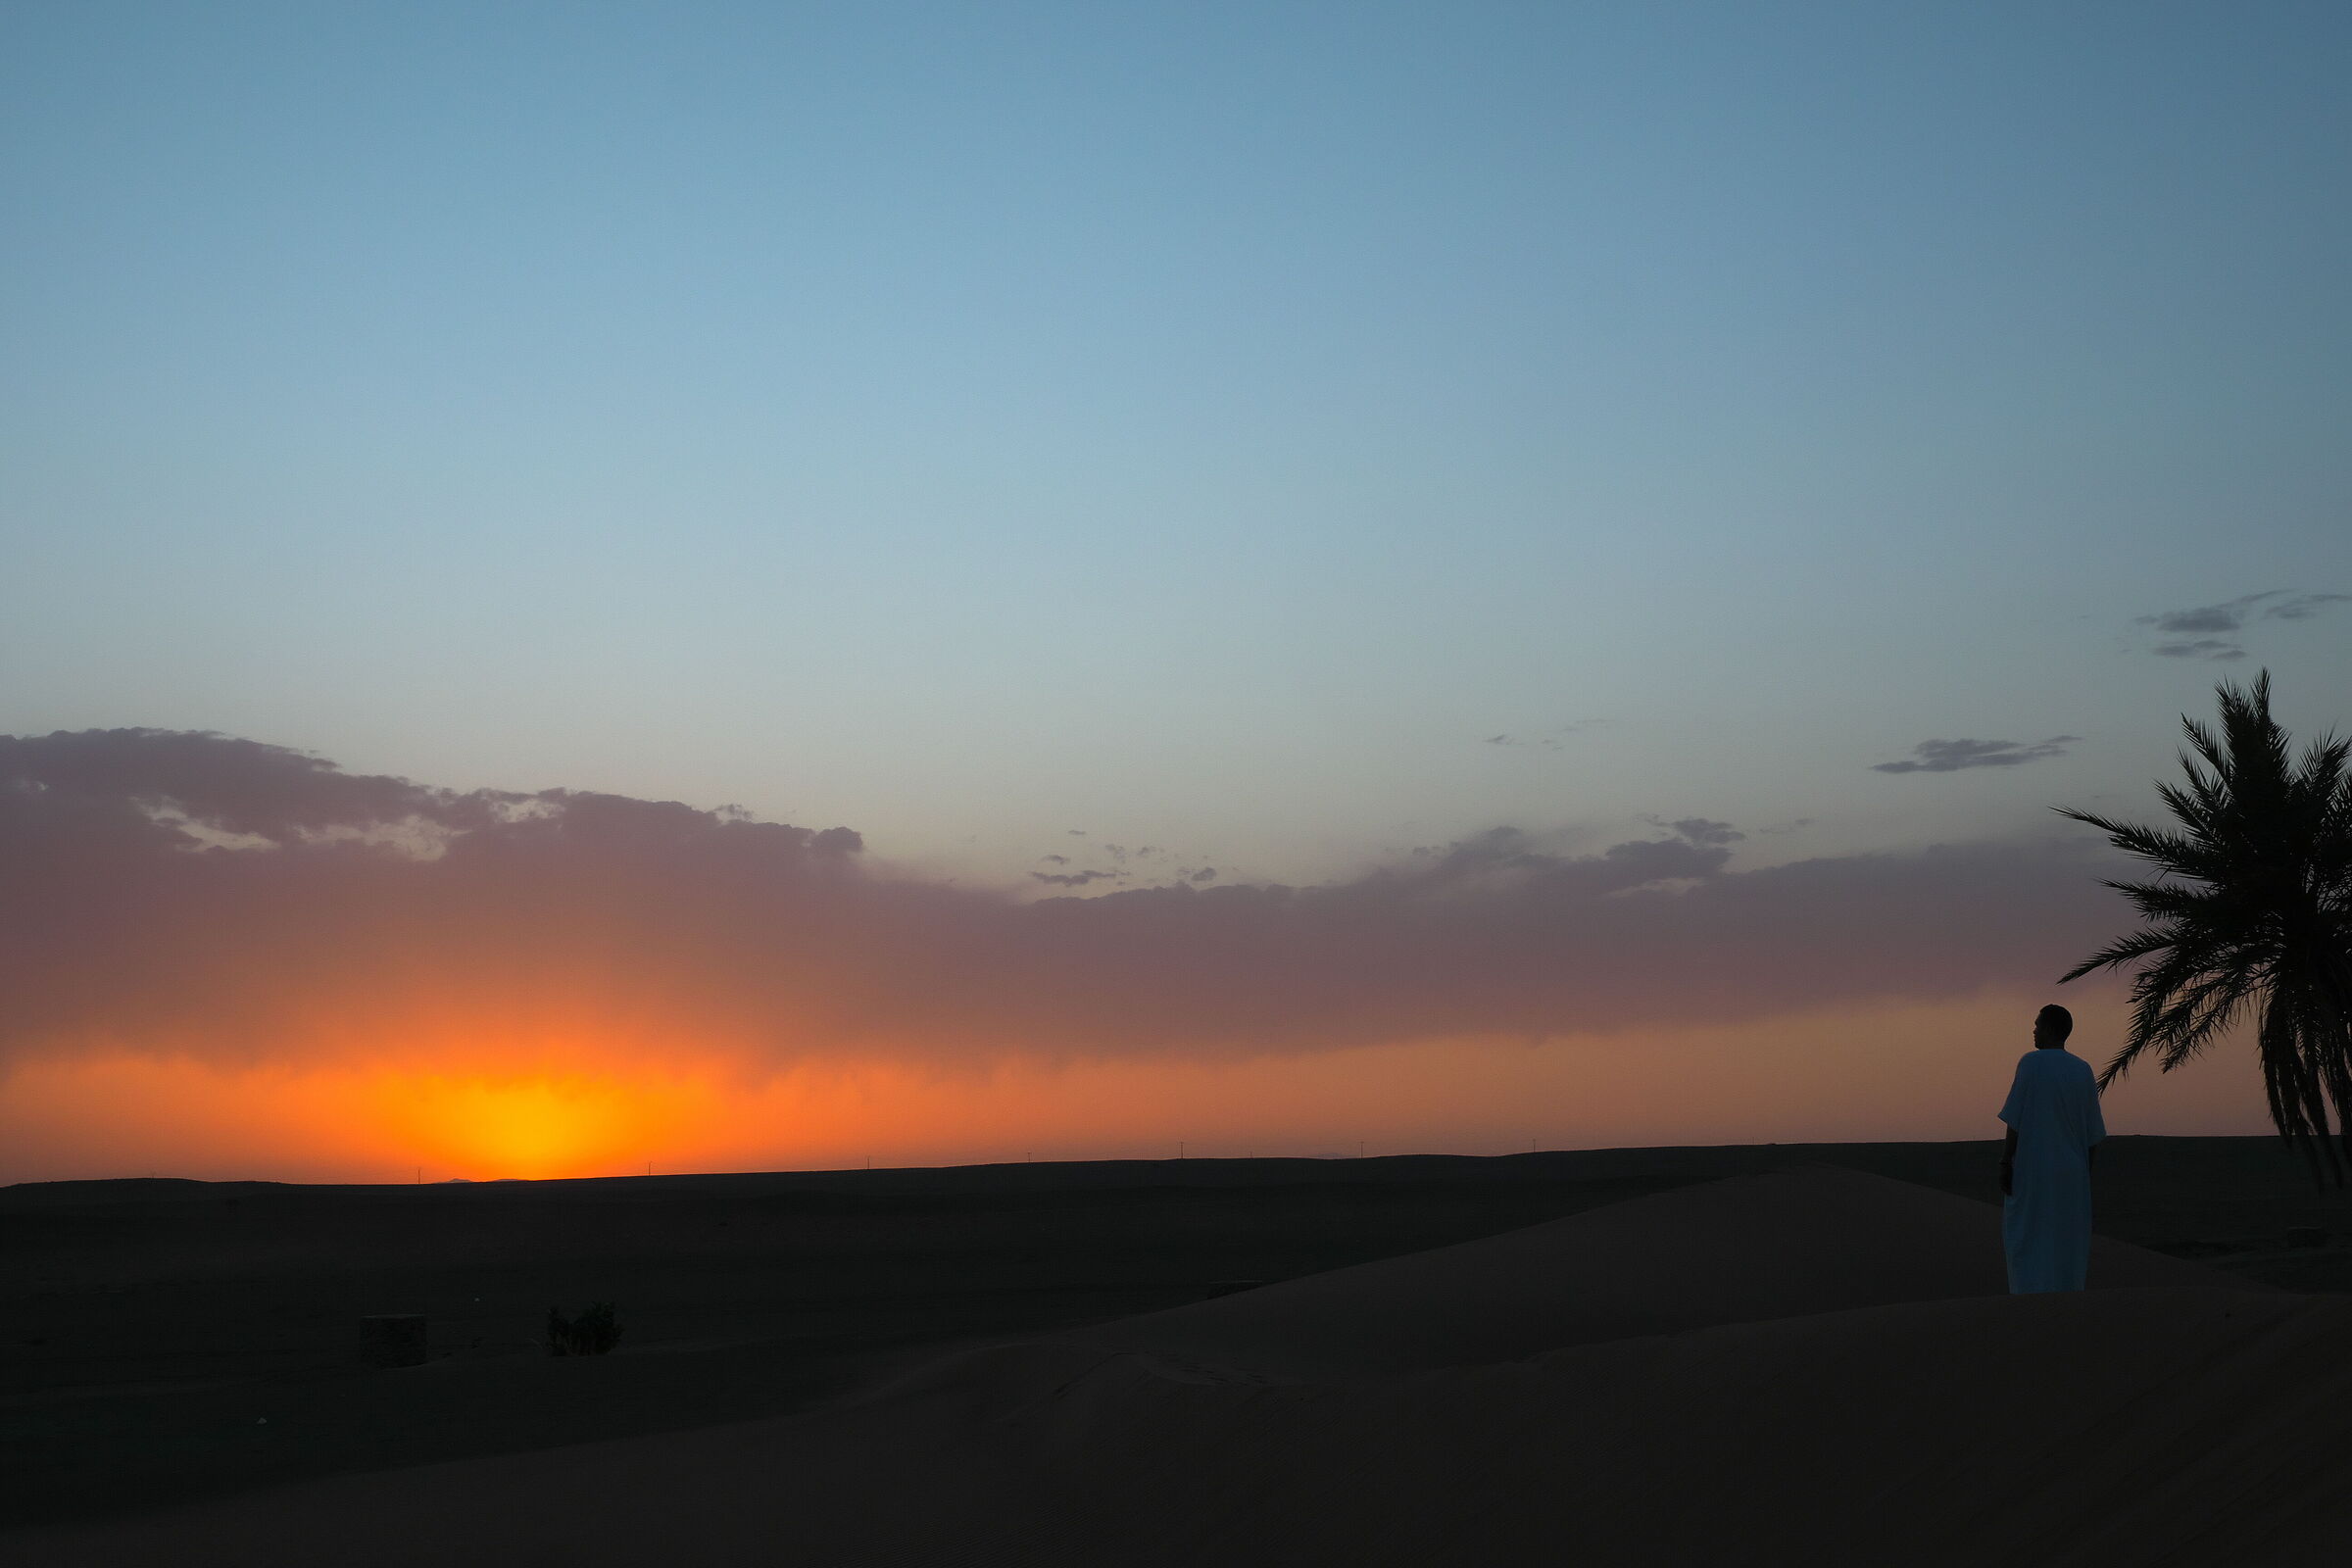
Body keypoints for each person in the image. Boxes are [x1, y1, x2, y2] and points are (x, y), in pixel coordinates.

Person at [1998, 1004, 2106, 1293]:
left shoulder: (2031, 1063)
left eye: (2037, 1025)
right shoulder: (2083, 1070)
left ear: (2049, 1029)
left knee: (2027, 1236)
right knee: (2066, 1240)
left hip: (2033, 1171)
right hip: (2072, 1174)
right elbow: (2093, 1135)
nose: (2033, 1030)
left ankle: (2031, 1299)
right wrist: (2084, 1176)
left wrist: (2006, 1161)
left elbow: (2015, 1120)